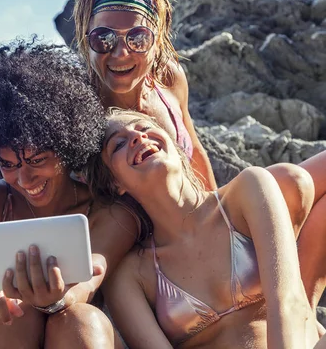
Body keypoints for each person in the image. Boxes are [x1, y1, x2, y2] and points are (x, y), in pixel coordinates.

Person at [73, 0, 326, 311]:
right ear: (85, 37)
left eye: (138, 38)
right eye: (103, 39)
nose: (120, 53)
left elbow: (194, 152)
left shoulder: (168, 79)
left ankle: (305, 311)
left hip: (203, 214)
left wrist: (219, 219)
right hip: (151, 248)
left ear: (158, 37)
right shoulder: (78, 107)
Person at [0, 40, 141, 349]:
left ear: (65, 145)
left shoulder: (110, 212)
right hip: (0, 333)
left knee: (81, 318)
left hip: (74, 335)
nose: (23, 178)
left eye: (37, 160)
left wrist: (55, 300)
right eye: (8, 164)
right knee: (3, 312)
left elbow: (83, 288)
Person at [86, 108, 324, 348]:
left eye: (144, 128)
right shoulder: (130, 274)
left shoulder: (248, 190)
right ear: (114, 183)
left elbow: (288, 300)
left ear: (173, 142)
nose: (137, 137)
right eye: (118, 144)